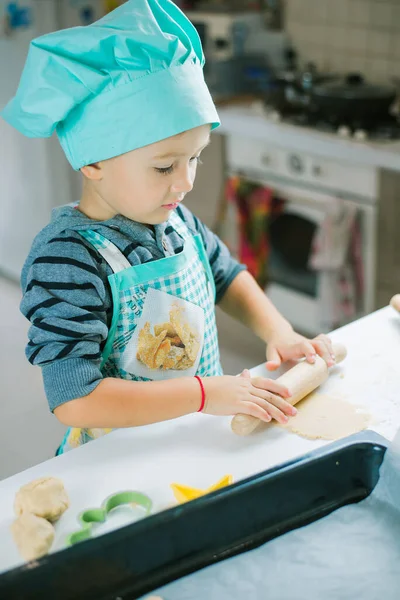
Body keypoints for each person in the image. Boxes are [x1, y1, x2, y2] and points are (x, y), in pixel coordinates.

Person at [2, 0, 334, 454]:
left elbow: (227, 275)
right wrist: (202, 394)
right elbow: (75, 400)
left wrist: (280, 332)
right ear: (93, 162)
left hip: (193, 444)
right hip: (117, 464)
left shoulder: (175, 219)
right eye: (164, 167)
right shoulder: (66, 260)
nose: (186, 181)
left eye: (195, 157)